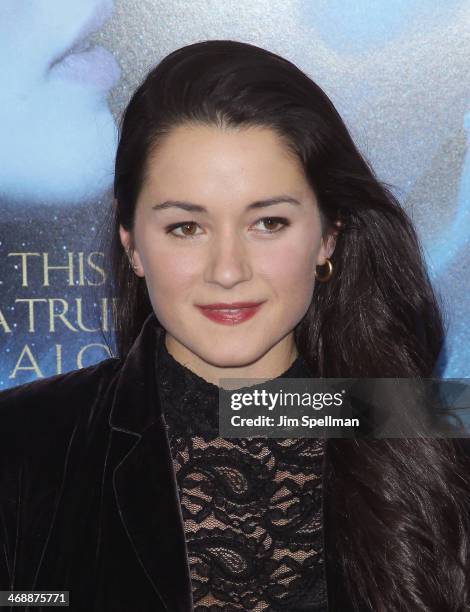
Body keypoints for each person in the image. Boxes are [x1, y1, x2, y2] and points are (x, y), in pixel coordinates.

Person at [1, 39, 470, 612]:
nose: (227, 271)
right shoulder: (23, 443)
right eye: (185, 228)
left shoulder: (435, 443)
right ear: (132, 243)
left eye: (268, 222)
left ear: (327, 236)